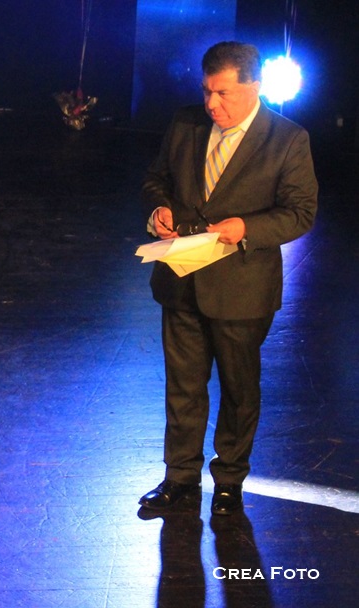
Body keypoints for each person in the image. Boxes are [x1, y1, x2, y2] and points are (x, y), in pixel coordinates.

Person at [138, 42, 317, 515]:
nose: (211, 104)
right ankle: (179, 479)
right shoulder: (185, 123)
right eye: (206, 91)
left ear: (254, 87)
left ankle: (229, 481)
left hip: (241, 289)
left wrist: (247, 230)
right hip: (180, 279)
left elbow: (300, 213)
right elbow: (156, 178)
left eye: (222, 94)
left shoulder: (287, 139)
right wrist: (160, 208)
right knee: (183, 387)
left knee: (238, 389)